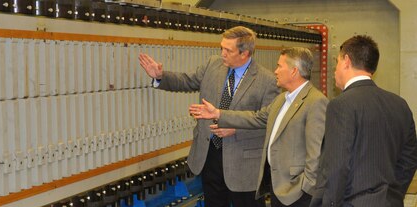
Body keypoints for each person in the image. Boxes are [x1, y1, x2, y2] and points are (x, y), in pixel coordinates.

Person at [138, 26, 280, 207]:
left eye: (228, 50)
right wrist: (160, 76)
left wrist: (236, 129)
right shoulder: (213, 64)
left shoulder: (266, 81)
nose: (222, 53)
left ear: (244, 53)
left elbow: (267, 119)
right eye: (221, 48)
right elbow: (187, 81)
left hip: (242, 162)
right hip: (210, 153)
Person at [190, 47, 328, 207]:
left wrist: (306, 188)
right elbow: (256, 118)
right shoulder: (282, 99)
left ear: (294, 71)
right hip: (280, 188)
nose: (275, 71)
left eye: (279, 66)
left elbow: (316, 153)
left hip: (298, 192)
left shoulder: (315, 102)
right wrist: (218, 114)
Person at [310, 35, 417, 207]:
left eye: (336, 62)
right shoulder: (399, 104)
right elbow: (409, 160)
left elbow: (336, 167)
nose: (335, 70)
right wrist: (391, 195)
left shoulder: (341, 105)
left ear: (346, 60)